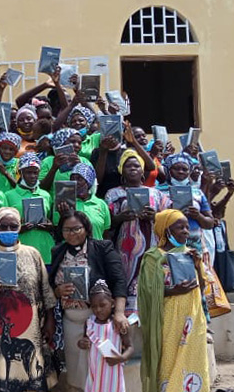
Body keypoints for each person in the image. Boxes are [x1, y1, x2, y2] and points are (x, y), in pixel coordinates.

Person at [0, 207, 57, 391]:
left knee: (31, 369)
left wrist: (50, 319)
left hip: (32, 327)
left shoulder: (33, 254)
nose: (8, 230)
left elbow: (45, 289)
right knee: (1, 370)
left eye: (13, 225)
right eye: (3, 226)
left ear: (19, 227)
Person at [49, 211, 128, 392]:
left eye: (77, 228)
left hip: (97, 320)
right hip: (71, 321)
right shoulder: (58, 251)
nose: (72, 233)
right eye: (66, 229)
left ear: (86, 229)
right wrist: (57, 291)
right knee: (76, 373)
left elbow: (119, 281)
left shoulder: (102, 248)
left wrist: (119, 312)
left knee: (99, 369)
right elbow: (50, 285)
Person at [138, 210, 209, 392]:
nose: (186, 231)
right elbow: (146, 291)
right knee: (169, 363)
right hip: (168, 319)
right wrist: (172, 291)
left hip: (193, 319)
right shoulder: (153, 257)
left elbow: (201, 288)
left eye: (187, 227)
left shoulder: (191, 254)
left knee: (193, 361)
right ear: (165, 230)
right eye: (180, 227)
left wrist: (196, 265)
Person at [105, 150, 170, 314]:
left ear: (142, 171)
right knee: (125, 285)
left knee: (151, 284)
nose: (132, 168)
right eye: (128, 166)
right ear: (121, 170)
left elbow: (171, 222)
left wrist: (155, 216)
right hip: (125, 252)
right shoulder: (113, 194)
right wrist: (121, 218)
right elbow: (107, 225)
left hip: (152, 249)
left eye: (136, 165)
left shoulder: (156, 194)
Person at [77, 280, 133, 392]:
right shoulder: (89, 323)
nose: (98, 310)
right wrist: (82, 343)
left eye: (102, 305)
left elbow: (130, 347)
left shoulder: (117, 324)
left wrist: (121, 358)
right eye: (94, 307)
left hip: (113, 374)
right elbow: (84, 340)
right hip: (95, 372)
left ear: (112, 303)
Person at [158, 154, 216, 254]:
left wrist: (198, 216)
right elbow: (153, 219)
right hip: (166, 246)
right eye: (176, 168)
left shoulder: (197, 193)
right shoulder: (158, 192)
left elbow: (210, 223)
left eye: (184, 169)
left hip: (194, 247)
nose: (180, 171)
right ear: (169, 171)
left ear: (189, 172)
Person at [5, 153, 55, 264]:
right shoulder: (8, 196)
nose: (32, 176)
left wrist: (49, 226)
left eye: (35, 172)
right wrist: (18, 229)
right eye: (28, 172)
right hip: (21, 246)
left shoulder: (46, 195)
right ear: (21, 173)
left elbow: (51, 219)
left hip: (44, 247)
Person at [52, 163, 111, 240]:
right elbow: (58, 233)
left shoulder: (101, 204)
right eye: (72, 179)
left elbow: (105, 233)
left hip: (96, 250)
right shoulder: (63, 203)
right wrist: (64, 216)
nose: (75, 182)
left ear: (88, 182)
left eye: (79, 179)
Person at [38, 128, 93, 196]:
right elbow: (41, 188)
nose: (77, 145)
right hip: (56, 204)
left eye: (79, 143)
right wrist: (54, 168)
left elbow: (92, 188)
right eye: (72, 142)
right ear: (61, 141)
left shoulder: (85, 161)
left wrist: (79, 167)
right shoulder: (48, 161)